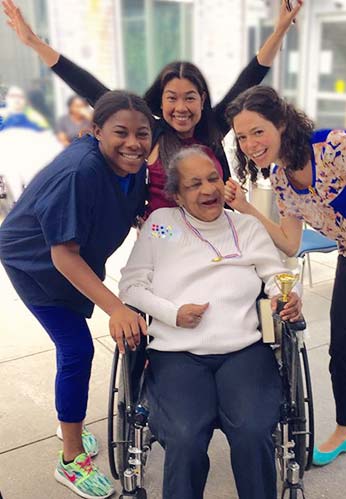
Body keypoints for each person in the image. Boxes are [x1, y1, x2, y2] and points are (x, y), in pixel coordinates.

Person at [223, 84, 346, 466]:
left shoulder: (337, 146)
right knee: (342, 352)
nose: (251, 144)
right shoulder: (283, 180)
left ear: (281, 123)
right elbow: (289, 242)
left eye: (258, 131)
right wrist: (245, 208)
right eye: (242, 137)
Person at [118, 145, 302, 499]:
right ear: (176, 194)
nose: (208, 190)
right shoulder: (164, 226)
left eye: (214, 178)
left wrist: (285, 294)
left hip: (244, 350)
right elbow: (132, 286)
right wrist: (172, 313)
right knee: (184, 437)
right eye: (195, 184)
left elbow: (275, 274)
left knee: (252, 430)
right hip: (177, 353)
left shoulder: (245, 227)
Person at [2, 0, 303, 215]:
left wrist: (279, 31)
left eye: (190, 97)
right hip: (164, 238)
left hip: (214, 230)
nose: (181, 108)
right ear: (160, 101)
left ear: (202, 100)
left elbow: (251, 75)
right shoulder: (150, 130)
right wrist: (34, 43)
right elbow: (91, 88)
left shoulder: (213, 126)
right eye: (172, 97)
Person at [0, 90, 153, 499]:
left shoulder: (132, 164)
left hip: (71, 258)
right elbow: (64, 256)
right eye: (121, 132)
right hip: (35, 263)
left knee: (75, 352)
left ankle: (68, 423)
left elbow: (134, 212)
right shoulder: (80, 171)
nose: (133, 143)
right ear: (95, 130)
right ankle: (70, 459)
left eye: (143, 133)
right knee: (77, 350)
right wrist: (115, 307)